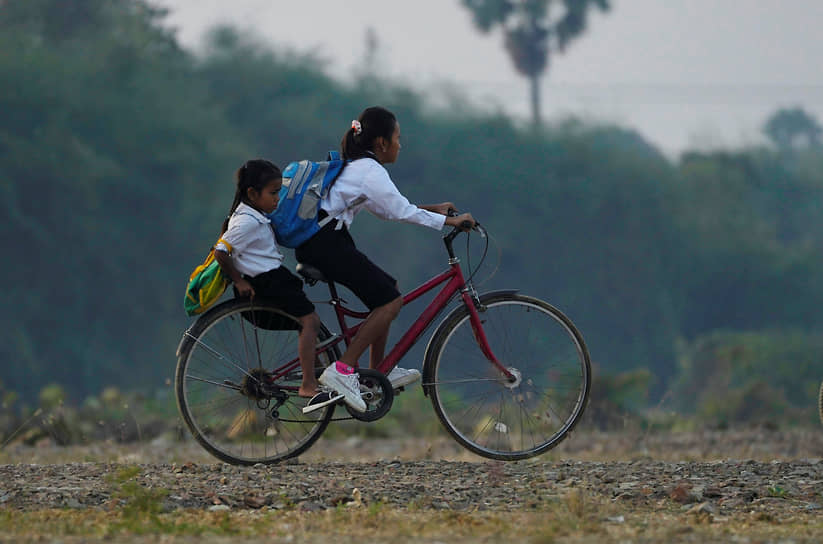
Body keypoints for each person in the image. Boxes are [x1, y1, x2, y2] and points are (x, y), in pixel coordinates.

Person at [296, 106, 475, 392]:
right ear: (381, 143)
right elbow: (401, 211)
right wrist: (451, 220)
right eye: (398, 138)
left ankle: (377, 373)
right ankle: (342, 369)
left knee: (387, 291)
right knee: (390, 301)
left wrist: (435, 209)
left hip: (325, 241)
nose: (400, 145)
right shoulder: (369, 170)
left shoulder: (360, 167)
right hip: (326, 244)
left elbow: (389, 210)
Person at [214, 159, 366, 412]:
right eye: (273, 193)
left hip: (274, 279)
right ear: (252, 193)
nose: (277, 199)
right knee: (310, 322)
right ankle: (308, 384)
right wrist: (238, 281)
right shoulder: (246, 221)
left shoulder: (254, 214)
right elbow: (221, 251)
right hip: (266, 283)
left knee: (306, 323)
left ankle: (316, 373)